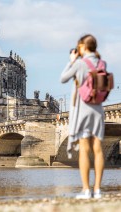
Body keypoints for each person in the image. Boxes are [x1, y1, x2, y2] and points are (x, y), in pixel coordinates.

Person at [60, 34, 105, 199]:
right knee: (98, 150)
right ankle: (98, 189)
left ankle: (86, 190)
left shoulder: (79, 63)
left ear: (83, 47)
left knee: (85, 149)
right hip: (98, 109)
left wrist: (72, 60)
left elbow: (63, 78)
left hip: (83, 109)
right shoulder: (102, 63)